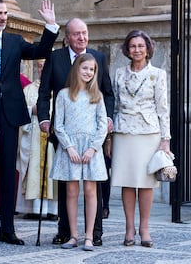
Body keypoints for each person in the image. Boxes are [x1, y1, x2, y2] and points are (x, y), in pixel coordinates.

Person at [0, 0, 59, 245]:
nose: (3, 17)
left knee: (8, 173)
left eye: (5, 13)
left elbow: (40, 51)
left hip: (9, 115)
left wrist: (50, 26)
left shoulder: (15, 41)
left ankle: (7, 229)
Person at [37, 18, 114, 246]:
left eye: (85, 33)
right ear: (68, 37)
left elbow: (108, 92)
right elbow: (44, 92)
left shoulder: (97, 58)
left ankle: (94, 233)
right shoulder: (55, 58)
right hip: (64, 134)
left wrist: (108, 118)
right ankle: (66, 232)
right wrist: (44, 118)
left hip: (92, 137)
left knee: (94, 188)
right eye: (77, 34)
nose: (82, 37)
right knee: (67, 186)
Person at [110, 30, 171, 248]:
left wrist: (166, 139)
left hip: (149, 133)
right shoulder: (118, 73)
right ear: (127, 49)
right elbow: (114, 105)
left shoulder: (157, 74)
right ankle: (129, 228)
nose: (137, 50)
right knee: (127, 182)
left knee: (146, 183)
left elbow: (163, 108)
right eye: (133, 46)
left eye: (141, 46)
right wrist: (109, 136)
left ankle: (144, 229)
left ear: (148, 49)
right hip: (123, 132)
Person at [50, 53, 108, 251]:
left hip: (91, 148)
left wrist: (93, 148)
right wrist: (69, 147)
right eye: (85, 68)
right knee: (72, 191)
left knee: (91, 191)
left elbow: (102, 125)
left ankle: (89, 236)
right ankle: (73, 235)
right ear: (76, 69)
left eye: (92, 69)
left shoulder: (97, 96)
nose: (88, 72)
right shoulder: (64, 95)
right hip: (71, 149)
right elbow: (58, 125)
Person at [16, 59, 58, 220]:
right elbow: (21, 112)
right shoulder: (28, 90)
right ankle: (32, 208)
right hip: (33, 135)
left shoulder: (58, 88)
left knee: (52, 169)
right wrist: (31, 110)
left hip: (52, 136)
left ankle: (52, 210)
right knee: (33, 167)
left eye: (46, 66)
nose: (42, 69)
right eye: (40, 66)